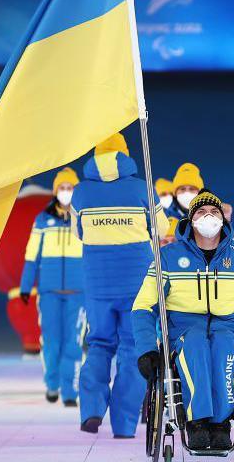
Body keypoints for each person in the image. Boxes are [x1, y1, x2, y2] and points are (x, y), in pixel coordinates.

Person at [133, 190, 234, 452]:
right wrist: (146, 348)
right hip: (184, 329)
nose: (208, 217)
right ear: (190, 220)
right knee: (195, 344)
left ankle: (221, 423)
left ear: (223, 220)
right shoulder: (167, 257)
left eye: (214, 212)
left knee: (224, 345)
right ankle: (198, 422)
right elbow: (143, 305)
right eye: (200, 212)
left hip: (230, 328)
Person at [70, 133, 168, 438]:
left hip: (97, 283)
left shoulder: (80, 193)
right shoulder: (142, 188)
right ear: (125, 156)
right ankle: (124, 425)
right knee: (133, 348)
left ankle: (92, 410)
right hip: (136, 283)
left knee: (98, 344)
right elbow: (162, 229)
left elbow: (79, 234)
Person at [20, 167, 85, 406]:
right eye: (62, 188)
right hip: (49, 292)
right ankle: (52, 384)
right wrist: (26, 286)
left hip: (79, 293)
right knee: (51, 341)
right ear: (56, 191)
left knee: (73, 342)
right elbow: (31, 254)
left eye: (70, 188)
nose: (66, 192)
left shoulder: (84, 219)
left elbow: (94, 252)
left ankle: (70, 391)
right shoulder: (43, 219)